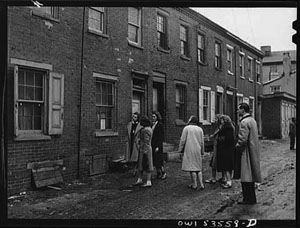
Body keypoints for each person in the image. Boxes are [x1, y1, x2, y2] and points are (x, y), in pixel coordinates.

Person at [235, 103, 262, 205]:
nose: (238, 111)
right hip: (253, 150)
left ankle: (247, 199)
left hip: (245, 152)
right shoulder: (252, 120)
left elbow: (242, 139)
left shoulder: (244, 122)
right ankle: (252, 198)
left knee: (245, 176)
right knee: (250, 176)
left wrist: (237, 147)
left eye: (239, 109)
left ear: (243, 110)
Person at [178, 115, 205, 190]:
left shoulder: (186, 128)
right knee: (198, 167)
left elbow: (182, 140)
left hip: (189, 149)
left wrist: (180, 150)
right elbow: (202, 142)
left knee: (192, 167)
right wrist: (202, 151)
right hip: (198, 149)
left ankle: (195, 184)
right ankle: (201, 184)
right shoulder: (200, 129)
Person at [133, 115, 154, 188]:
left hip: (145, 150)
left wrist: (145, 150)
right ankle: (140, 179)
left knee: (147, 165)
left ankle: (148, 181)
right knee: (141, 165)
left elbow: (146, 141)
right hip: (144, 149)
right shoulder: (148, 128)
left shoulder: (146, 130)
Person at [216, 115, 236, 189]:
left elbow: (226, 139)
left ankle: (228, 182)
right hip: (230, 149)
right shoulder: (231, 127)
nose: (220, 121)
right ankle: (228, 180)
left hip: (225, 149)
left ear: (225, 120)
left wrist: (220, 140)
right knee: (229, 166)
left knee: (226, 166)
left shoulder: (226, 128)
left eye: (222, 120)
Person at [205, 114, 222, 184]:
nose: (214, 120)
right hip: (216, 146)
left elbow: (216, 135)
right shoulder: (217, 127)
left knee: (215, 162)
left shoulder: (221, 127)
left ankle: (215, 177)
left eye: (216, 119)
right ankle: (214, 177)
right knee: (214, 162)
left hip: (219, 147)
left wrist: (212, 137)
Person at [151, 111, 167, 180]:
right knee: (155, 159)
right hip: (153, 144)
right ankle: (158, 173)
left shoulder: (160, 125)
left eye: (154, 117)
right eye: (152, 117)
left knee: (159, 160)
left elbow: (160, 137)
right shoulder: (152, 124)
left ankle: (163, 172)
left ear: (157, 117)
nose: (153, 118)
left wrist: (158, 146)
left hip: (158, 145)